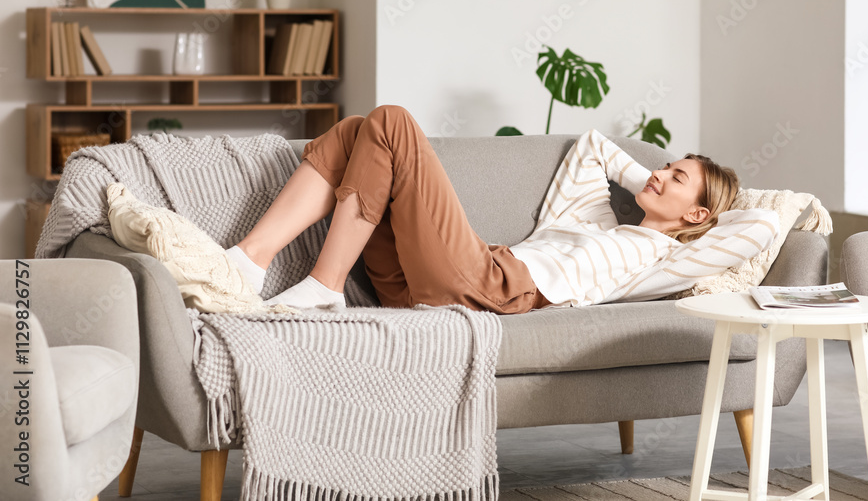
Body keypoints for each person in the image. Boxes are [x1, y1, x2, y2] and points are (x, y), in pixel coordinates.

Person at [225, 105, 779, 312]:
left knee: (392, 121)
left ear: (700, 217)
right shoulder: (595, 215)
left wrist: (697, 219)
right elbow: (592, 146)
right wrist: (650, 186)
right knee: (353, 132)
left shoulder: (659, 262)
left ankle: (324, 286)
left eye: (675, 177)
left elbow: (761, 225)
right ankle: (251, 259)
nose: (658, 171)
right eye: (665, 166)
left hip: (491, 286)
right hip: (437, 278)